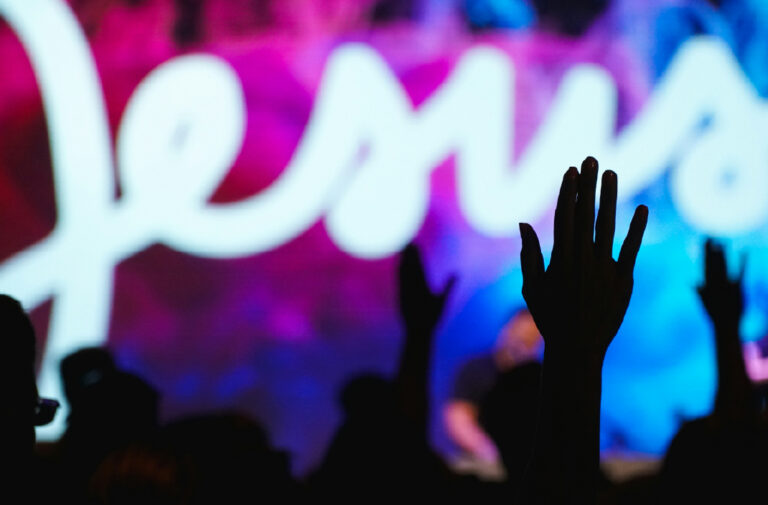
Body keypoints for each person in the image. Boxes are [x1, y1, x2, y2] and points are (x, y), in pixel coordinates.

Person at [444, 308, 543, 473]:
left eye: (530, 341)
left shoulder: (539, 378)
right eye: (520, 337)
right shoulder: (477, 369)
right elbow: (458, 419)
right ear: (506, 331)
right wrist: (488, 451)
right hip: (482, 462)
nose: (522, 347)